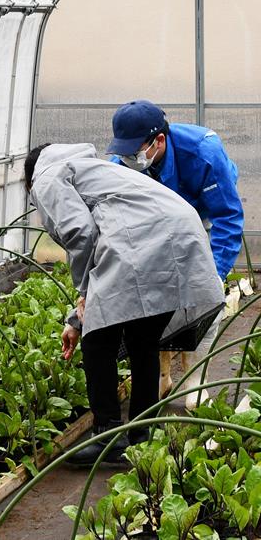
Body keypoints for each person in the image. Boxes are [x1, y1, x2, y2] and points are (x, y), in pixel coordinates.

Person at [24, 143, 224, 466]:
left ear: (29, 181)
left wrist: (84, 297)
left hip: (148, 239)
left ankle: (108, 436)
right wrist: (77, 316)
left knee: (97, 340)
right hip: (177, 228)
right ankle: (141, 436)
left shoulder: (46, 179)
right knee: (142, 338)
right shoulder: (87, 167)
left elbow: (81, 233)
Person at [107, 100, 244, 409]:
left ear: (159, 141)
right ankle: (162, 374)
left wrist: (212, 276)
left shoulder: (203, 154)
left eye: (134, 151)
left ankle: (196, 376)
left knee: (202, 292)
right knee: (154, 289)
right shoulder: (125, 165)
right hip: (159, 215)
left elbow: (227, 217)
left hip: (202, 207)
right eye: (123, 152)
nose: (128, 158)